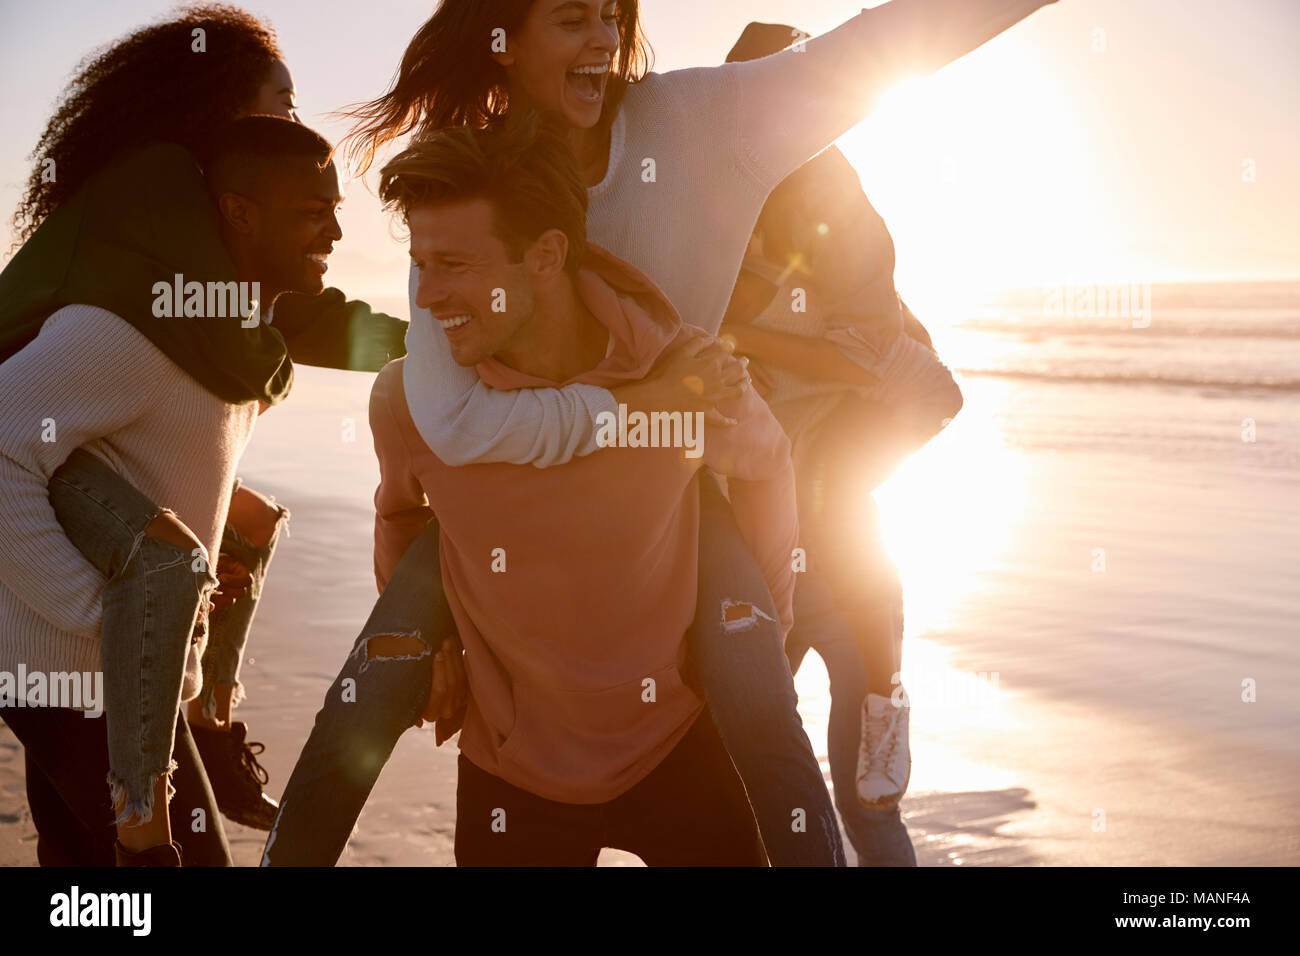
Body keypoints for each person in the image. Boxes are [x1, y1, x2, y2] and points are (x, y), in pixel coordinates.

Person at [338, 0, 1058, 865]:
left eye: (614, 14)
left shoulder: (702, 125)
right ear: (504, 41)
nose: (604, 37)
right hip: (514, 561)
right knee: (346, 737)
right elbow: (445, 423)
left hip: (672, 525)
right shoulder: (468, 189)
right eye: (573, 19)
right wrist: (439, 634)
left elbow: (877, 48)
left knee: (767, 730)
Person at [272, 115, 788, 866]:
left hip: (679, 743)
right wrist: (437, 643)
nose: (431, 297)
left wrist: (752, 644)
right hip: (513, 771)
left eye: (454, 264)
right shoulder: (407, 403)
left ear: (545, 256)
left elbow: (770, 468)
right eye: (421, 266)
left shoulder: (682, 374)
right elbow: (402, 514)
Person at [0, 5, 412, 837]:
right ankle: (204, 723)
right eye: (283, 102)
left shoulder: (199, 239)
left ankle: (213, 720)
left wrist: (441, 340)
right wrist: (114, 622)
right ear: (218, 107)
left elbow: (292, 316)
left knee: (82, 857)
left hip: (49, 568)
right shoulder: (158, 215)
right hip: (47, 553)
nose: (297, 120)